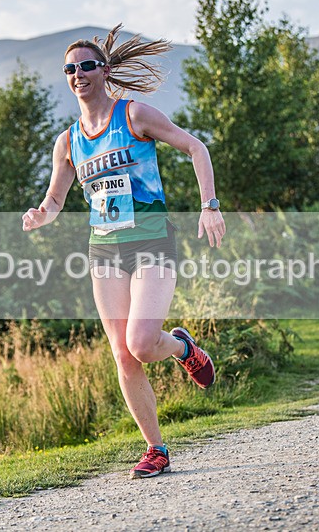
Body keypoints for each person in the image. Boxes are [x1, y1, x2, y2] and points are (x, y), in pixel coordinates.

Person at [22, 24, 226, 479]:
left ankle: (182, 346)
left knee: (142, 342)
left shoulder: (133, 116)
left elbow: (196, 147)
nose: (79, 74)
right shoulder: (68, 142)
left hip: (152, 242)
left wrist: (209, 205)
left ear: (104, 70)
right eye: (71, 69)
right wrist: (41, 214)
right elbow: (56, 199)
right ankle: (156, 448)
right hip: (105, 252)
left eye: (87, 66)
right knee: (123, 354)